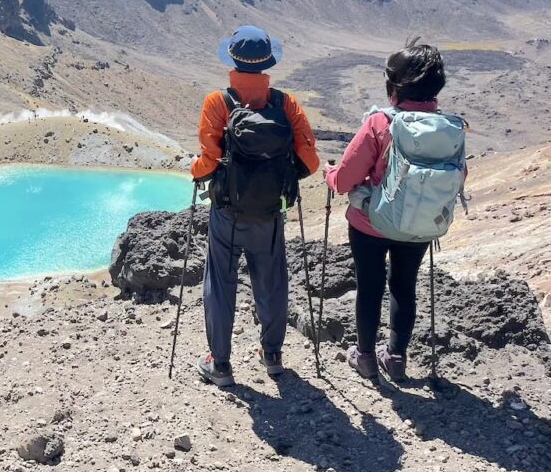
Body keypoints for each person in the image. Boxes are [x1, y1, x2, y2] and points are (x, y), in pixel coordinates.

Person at [192, 26, 320, 387]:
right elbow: (310, 161)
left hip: (227, 212)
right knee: (272, 282)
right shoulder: (285, 104)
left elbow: (210, 160)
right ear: (268, 63)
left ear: (231, 59)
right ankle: (273, 355)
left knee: (220, 283)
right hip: (269, 213)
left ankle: (220, 364)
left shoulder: (218, 102)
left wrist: (195, 169)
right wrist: (280, 175)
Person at [324, 39, 458, 382]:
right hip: (419, 225)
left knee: (369, 287)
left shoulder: (380, 124)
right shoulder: (447, 129)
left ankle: (366, 357)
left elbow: (345, 181)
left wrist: (329, 174)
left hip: (371, 224)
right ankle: (396, 358)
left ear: (394, 87)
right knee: (404, 286)